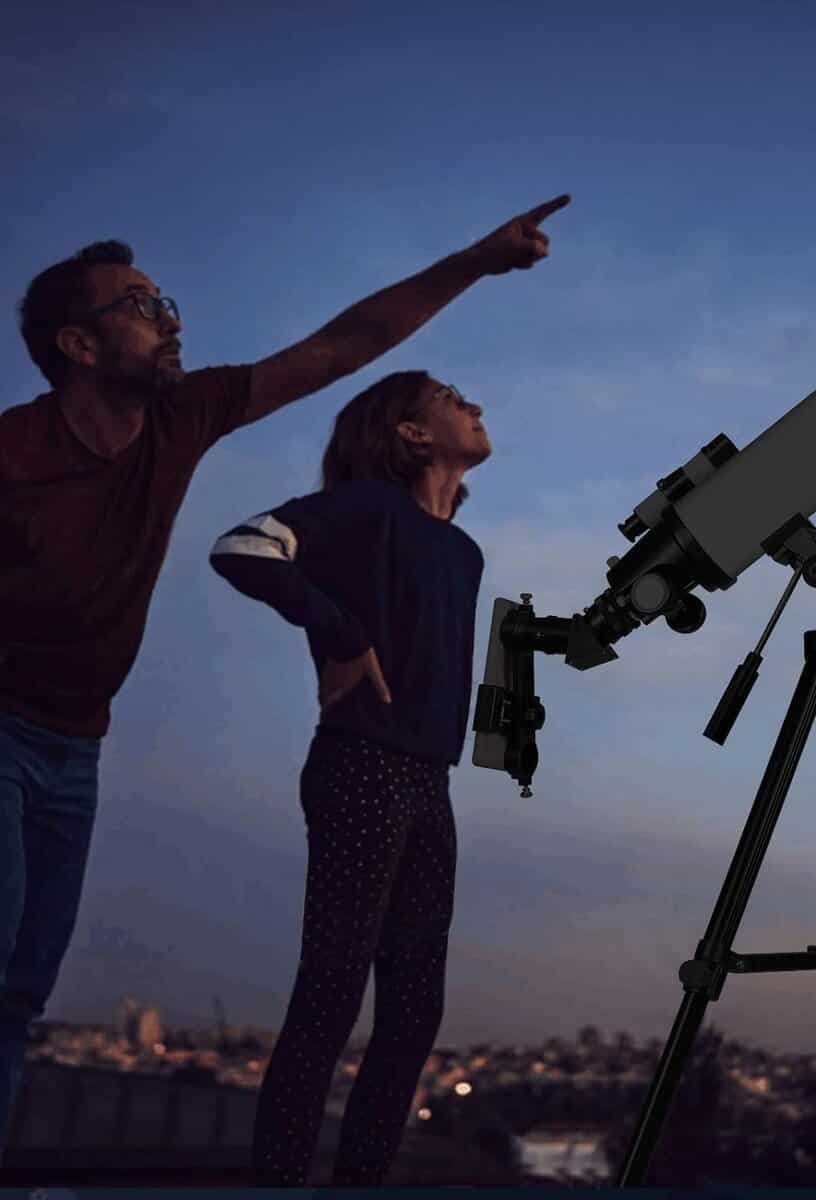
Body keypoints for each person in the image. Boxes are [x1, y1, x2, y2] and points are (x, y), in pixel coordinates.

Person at [0, 193, 571, 1159]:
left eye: (165, 298)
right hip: (9, 730)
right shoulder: (13, 454)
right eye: (141, 305)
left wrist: (472, 262)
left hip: (78, 744)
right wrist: (339, 630)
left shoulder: (183, 418)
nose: (170, 317)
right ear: (80, 347)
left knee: (19, 996)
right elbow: (253, 548)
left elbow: (341, 347)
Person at [208, 368, 493, 1186]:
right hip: (360, 765)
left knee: (412, 1013)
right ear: (409, 432)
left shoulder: (465, 554)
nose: (472, 405)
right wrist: (336, 629)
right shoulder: (369, 508)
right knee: (332, 991)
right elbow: (243, 546)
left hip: (429, 784)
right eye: (450, 396)